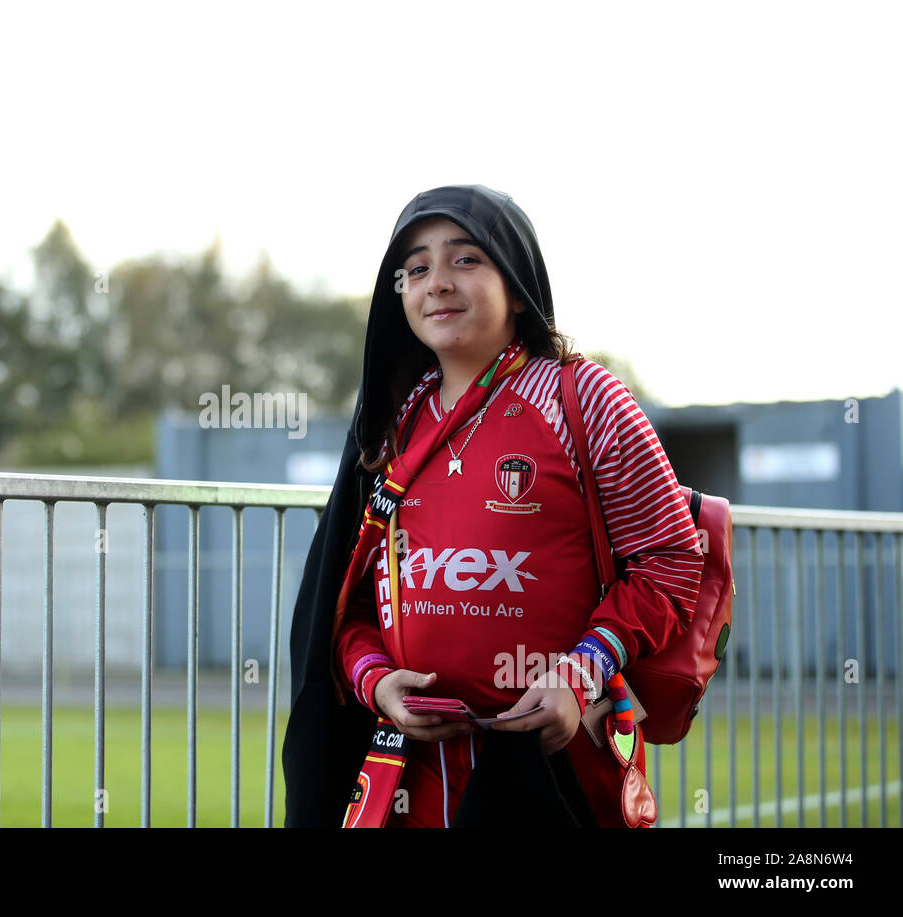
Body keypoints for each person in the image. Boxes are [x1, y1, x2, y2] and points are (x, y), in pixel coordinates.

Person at [282, 185, 704, 827]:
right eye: (416, 268)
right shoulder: (391, 425)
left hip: (551, 766)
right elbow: (348, 606)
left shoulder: (585, 400)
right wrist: (375, 682)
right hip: (409, 779)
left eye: (465, 259)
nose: (437, 283)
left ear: (517, 280)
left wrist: (578, 675)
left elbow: (671, 563)